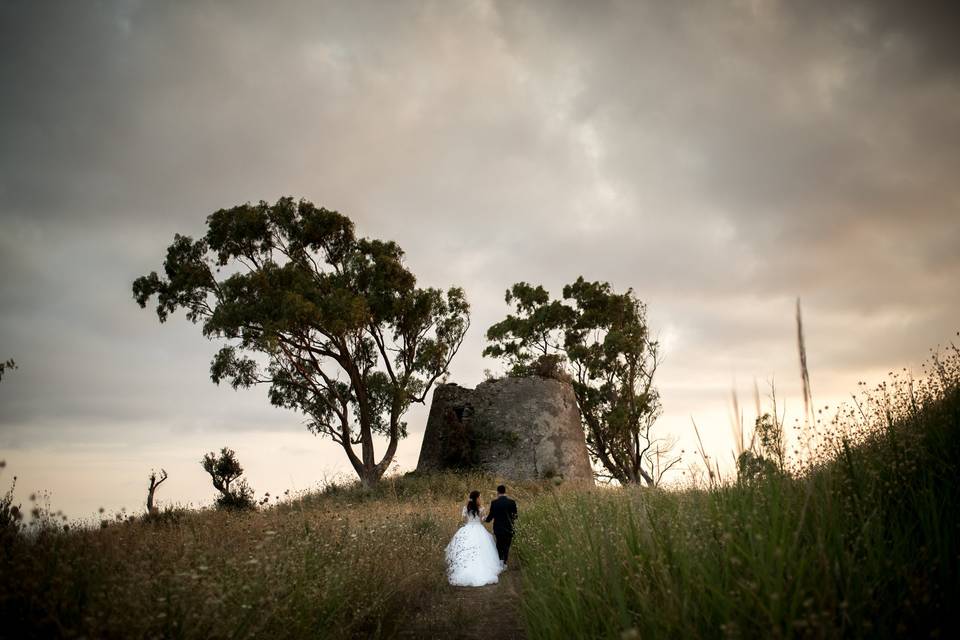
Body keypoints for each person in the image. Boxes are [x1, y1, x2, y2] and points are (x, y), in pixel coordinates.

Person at [445, 490, 504, 586]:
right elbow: (484, 519)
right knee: (481, 549)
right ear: (477, 498)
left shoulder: (466, 508)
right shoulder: (481, 508)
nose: (480, 498)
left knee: (465, 549)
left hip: (468, 528)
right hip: (478, 528)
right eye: (479, 497)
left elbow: (464, 518)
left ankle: (464, 568)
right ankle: (482, 568)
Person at [485, 484, 518, 567]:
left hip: (498, 527)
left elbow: (491, 516)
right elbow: (515, 516)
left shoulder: (494, 502)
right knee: (507, 545)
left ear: (497, 492)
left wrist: (486, 520)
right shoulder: (512, 502)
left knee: (499, 544)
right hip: (509, 527)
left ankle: (500, 561)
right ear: (505, 491)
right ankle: (505, 563)